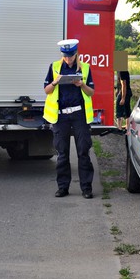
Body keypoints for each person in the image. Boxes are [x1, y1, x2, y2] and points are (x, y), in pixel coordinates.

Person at [43, 39, 96, 199]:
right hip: (60, 116)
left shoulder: (85, 68)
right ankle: (63, 188)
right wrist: (55, 81)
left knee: (83, 151)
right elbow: (47, 90)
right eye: (65, 56)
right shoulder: (54, 67)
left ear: (76, 53)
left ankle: (86, 188)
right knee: (62, 153)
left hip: (79, 115)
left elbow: (91, 92)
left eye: (71, 56)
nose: (68, 59)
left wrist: (82, 85)